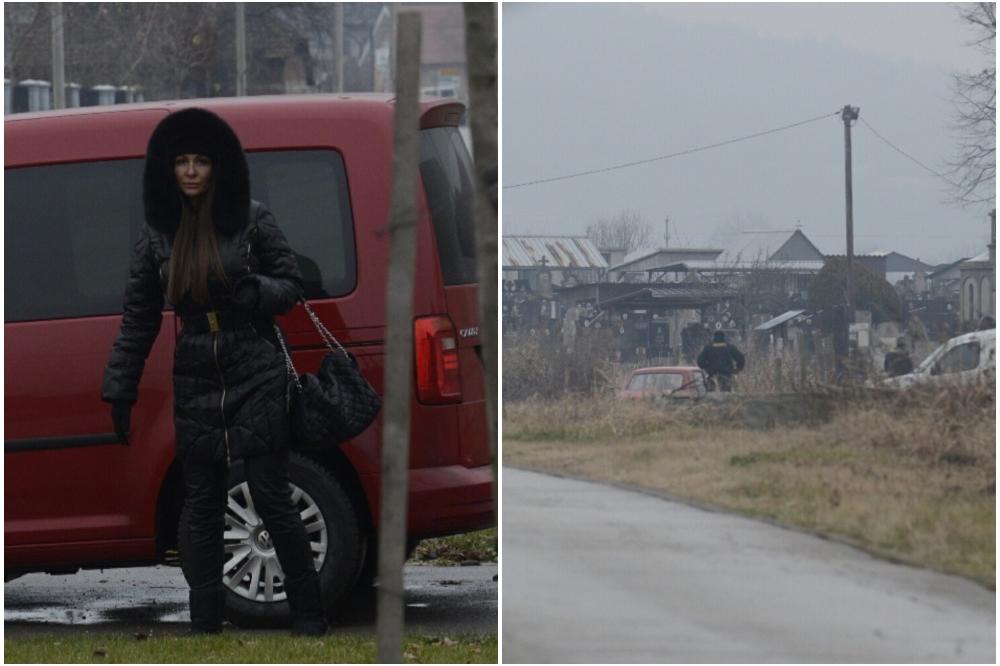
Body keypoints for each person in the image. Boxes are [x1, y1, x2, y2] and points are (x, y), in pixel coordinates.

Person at [101, 108, 327, 636]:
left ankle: (309, 612)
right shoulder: (157, 234)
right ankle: (204, 620)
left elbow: (291, 284)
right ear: (169, 169)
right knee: (201, 500)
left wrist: (258, 293)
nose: (192, 171)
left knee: (271, 490)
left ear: (218, 165)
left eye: (201, 160)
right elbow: (138, 319)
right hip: (197, 369)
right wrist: (120, 391)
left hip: (255, 362)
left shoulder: (252, 218)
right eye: (182, 161)